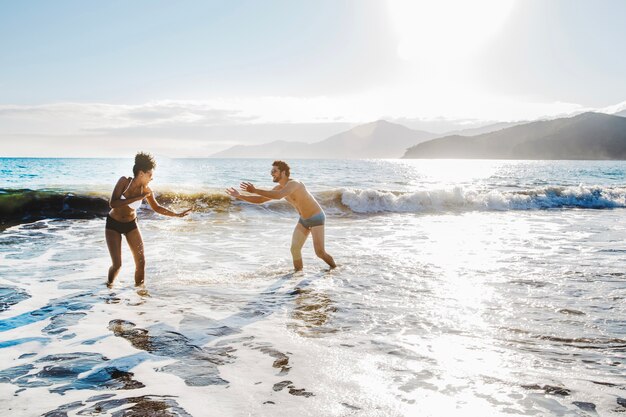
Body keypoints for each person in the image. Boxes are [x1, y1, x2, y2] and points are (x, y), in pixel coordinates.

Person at [226, 160, 336, 271]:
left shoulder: (294, 183)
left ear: (283, 173)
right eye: (271, 171)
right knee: (295, 249)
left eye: (274, 171)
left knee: (320, 252)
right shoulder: (278, 188)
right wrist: (240, 196)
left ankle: (335, 269)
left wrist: (255, 190)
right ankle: (298, 274)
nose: (271, 173)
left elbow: (279, 196)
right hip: (304, 220)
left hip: (316, 217)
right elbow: (260, 200)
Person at [105, 152, 191, 288]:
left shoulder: (146, 190)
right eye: (150, 175)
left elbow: (156, 207)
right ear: (141, 173)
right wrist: (137, 198)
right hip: (113, 224)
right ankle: (108, 287)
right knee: (117, 265)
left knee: (141, 262)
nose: (152, 178)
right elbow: (113, 203)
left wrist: (176, 215)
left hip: (131, 224)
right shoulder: (124, 181)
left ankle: (140, 294)